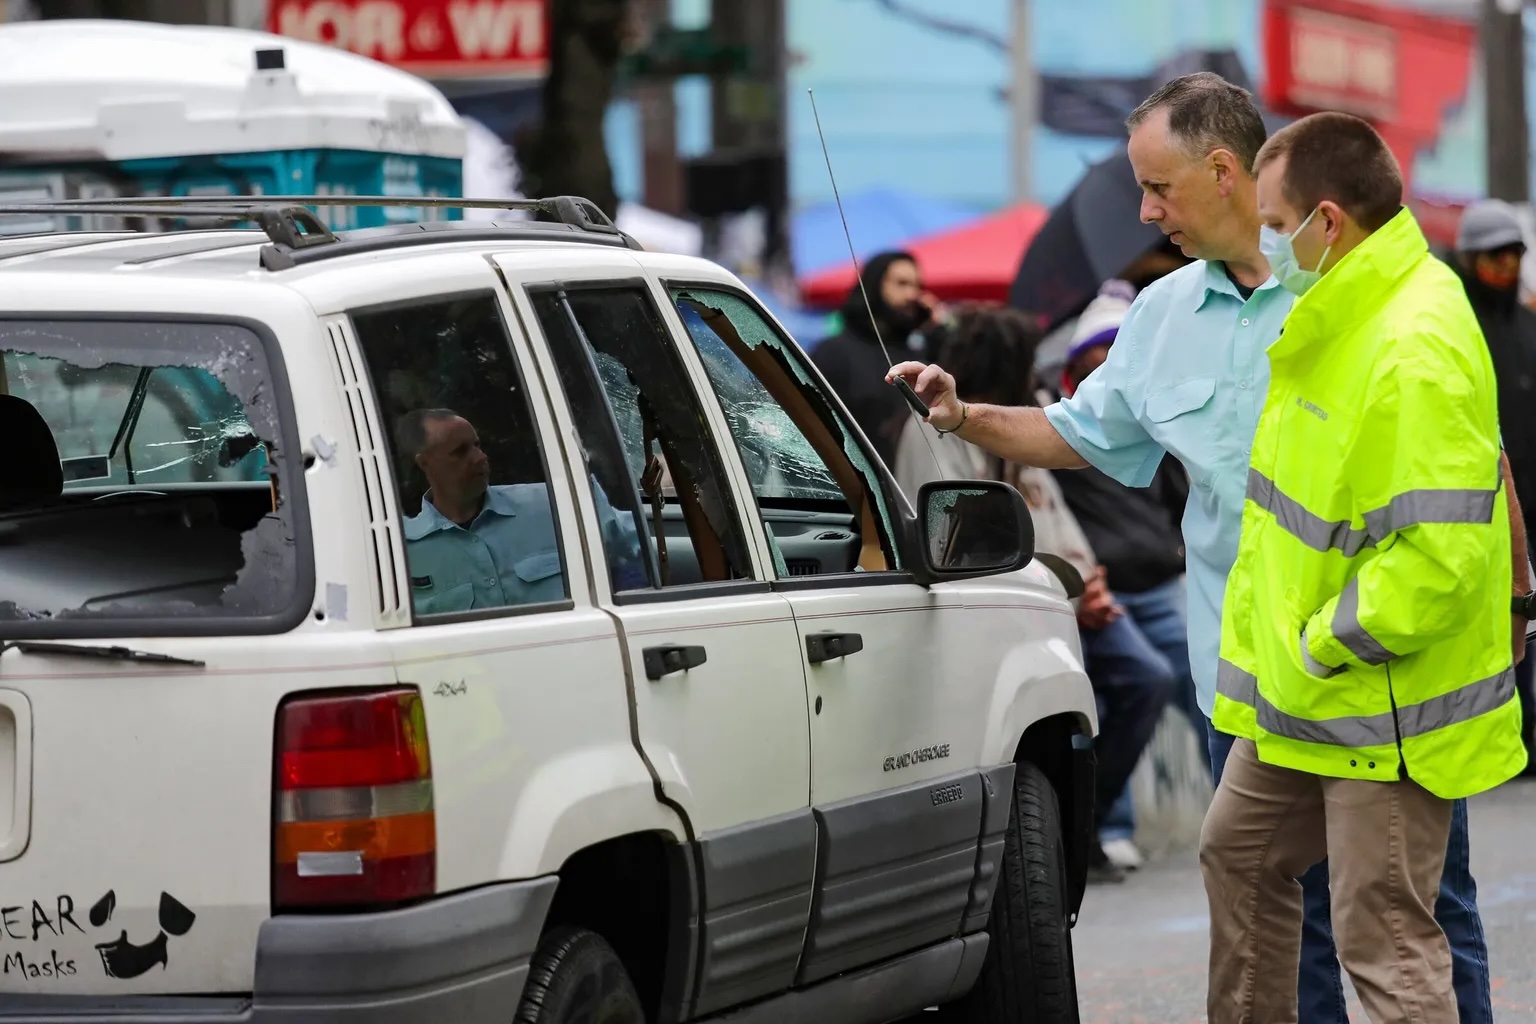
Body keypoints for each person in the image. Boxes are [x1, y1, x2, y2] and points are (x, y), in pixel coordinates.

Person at [887, 71, 1526, 1024]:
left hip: (1374, 669)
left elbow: (1464, 474)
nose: (1148, 213)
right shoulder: (1168, 314)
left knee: (1411, 918)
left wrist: (1509, 593)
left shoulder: (1356, 298)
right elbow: (1084, 431)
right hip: (1251, 676)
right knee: (1263, 885)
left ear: (1227, 173)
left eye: (1160, 187)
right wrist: (964, 413)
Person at [1203, 110, 1529, 1024]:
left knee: (1382, 936)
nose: (1269, 240)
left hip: (1372, 697)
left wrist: (1320, 647)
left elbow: (1436, 557)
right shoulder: (1345, 313)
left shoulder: (1409, 340)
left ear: (1329, 222)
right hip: (1309, 693)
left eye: (1276, 221)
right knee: (1237, 853)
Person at [893, 302, 1172, 884]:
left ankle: (1089, 821)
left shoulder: (1026, 415)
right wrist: (1071, 592)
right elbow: (962, 539)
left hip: (1070, 595)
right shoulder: (934, 431)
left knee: (1148, 677)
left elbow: (1055, 510)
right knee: (1072, 698)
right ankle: (1071, 834)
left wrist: (1089, 578)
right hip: (1016, 604)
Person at [398, 407, 645, 614]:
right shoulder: (401, 552)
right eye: (460, 452)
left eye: (477, 445)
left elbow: (632, 560)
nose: (480, 457)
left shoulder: (557, 505)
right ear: (425, 463)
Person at [1452, 198, 1536, 773]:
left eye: (1513, 256)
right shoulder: (1454, 319)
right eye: (1493, 258)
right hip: (1478, 500)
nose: (1504, 268)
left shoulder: (1528, 326)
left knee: (1525, 621)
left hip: (1531, 501)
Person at [812, 250, 942, 465]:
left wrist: (938, 333)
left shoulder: (917, 356)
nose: (912, 295)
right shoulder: (833, 353)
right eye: (901, 283)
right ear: (874, 285)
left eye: (917, 286)